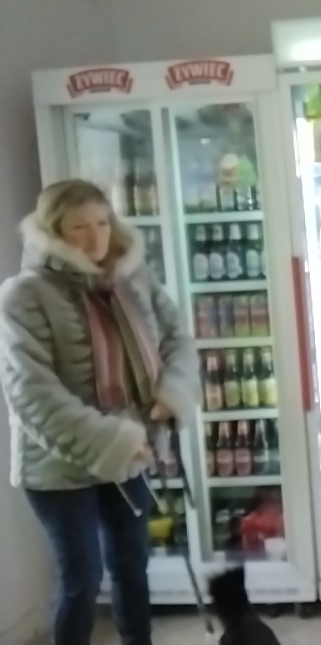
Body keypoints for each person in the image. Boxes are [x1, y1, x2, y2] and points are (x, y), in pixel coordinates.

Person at [0, 179, 199, 645]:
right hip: (59, 467)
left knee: (132, 566)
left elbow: (177, 339)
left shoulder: (132, 278)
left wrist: (171, 393)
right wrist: (113, 440)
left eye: (103, 223)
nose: (96, 238)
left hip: (131, 450)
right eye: (80, 227)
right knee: (82, 581)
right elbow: (32, 394)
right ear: (53, 232)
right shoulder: (24, 295)